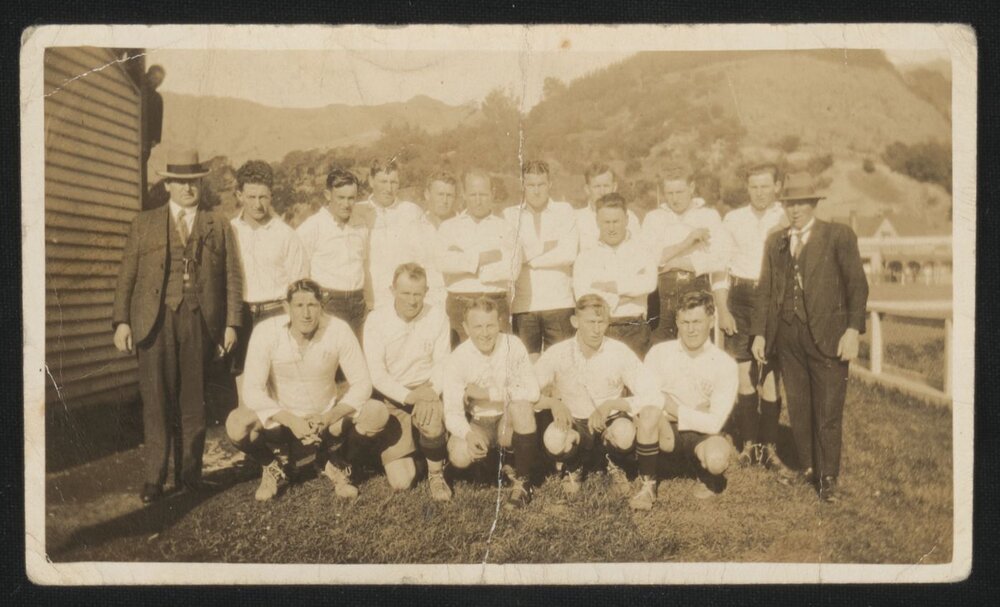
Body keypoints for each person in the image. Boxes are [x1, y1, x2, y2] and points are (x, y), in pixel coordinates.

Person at [112, 149, 243, 504]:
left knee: (193, 402)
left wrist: (231, 324)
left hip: (199, 321)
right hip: (153, 322)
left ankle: (190, 476)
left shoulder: (218, 224)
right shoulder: (144, 223)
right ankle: (154, 478)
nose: (188, 189)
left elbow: (232, 277)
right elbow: (127, 276)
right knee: (156, 401)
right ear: (168, 185)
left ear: (201, 184)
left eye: (194, 182)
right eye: (180, 182)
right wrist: (122, 321)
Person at [226, 279, 419, 501]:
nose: (306, 314)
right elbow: (252, 391)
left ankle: (337, 460)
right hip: (281, 423)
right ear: (286, 307)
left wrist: (328, 417)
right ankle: (272, 465)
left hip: (325, 421)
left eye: (312, 305)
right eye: (299, 306)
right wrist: (291, 421)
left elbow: (362, 383)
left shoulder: (338, 329)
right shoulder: (266, 331)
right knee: (236, 424)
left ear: (322, 306)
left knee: (377, 412)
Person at [751, 172, 868, 502]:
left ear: (814, 204)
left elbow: (857, 285)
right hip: (788, 337)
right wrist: (759, 334)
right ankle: (809, 466)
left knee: (828, 409)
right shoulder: (776, 241)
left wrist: (852, 331)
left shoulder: (837, 236)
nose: (795, 210)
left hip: (829, 336)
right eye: (790, 204)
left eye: (802, 203)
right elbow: (765, 290)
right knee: (799, 407)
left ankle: (828, 477)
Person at [534, 294, 663, 510]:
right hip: (573, 421)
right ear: (575, 321)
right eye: (590, 322)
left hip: (608, 421)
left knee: (624, 433)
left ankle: (615, 463)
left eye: (601, 322)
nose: (596, 330)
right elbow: (523, 390)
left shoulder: (619, 351)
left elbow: (652, 394)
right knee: (554, 439)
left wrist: (611, 405)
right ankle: (573, 465)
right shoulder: (558, 352)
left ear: (608, 322)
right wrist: (553, 404)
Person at [717, 163, 790, 471]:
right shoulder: (733, 219)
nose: (759, 192)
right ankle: (749, 444)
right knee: (743, 372)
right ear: (747, 188)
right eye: (754, 186)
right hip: (740, 296)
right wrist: (723, 309)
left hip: (773, 298)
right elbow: (720, 267)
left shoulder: (787, 217)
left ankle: (769, 447)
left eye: (765, 186)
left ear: (777, 187)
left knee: (771, 373)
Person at [363, 263, 453, 501]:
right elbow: (377, 374)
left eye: (418, 294)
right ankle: (422, 450)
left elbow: (443, 362)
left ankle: (436, 474)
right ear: (392, 290)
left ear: (426, 291)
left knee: (432, 421)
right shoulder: (376, 319)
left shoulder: (437, 315)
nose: (412, 301)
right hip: (394, 396)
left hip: (427, 390)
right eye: (405, 293)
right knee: (401, 482)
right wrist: (410, 396)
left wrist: (430, 393)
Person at [442, 298, 541, 509]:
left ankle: (523, 482)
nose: (485, 333)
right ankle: (490, 463)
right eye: (478, 326)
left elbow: (533, 391)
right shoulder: (458, 358)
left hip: (508, 419)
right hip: (479, 422)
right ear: (466, 328)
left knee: (522, 406)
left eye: (490, 325)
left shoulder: (512, 345)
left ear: (500, 323)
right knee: (459, 455)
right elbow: (451, 412)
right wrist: (468, 435)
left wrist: (488, 393)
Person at [644, 290, 738, 499]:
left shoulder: (725, 364)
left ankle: (703, 471)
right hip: (664, 427)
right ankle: (648, 478)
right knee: (645, 418)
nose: (691, 329)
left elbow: (714, 424)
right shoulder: (659, 353)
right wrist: (694, 413)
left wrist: (672, 407)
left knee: (716, 460)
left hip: (702, 433)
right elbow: (646, 399)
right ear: (677, 322)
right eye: (685, 322)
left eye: (697, 322)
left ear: (711, 321)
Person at [229, 160, 309, 385]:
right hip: (241, 315)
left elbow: (300, 283)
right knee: (244, 381)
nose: (258, 204)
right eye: (251, 197)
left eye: (263, 197)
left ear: (271, 196)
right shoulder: (229, 231)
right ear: (239, 195)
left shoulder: (286, 235)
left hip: (276, 313)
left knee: (278, 380)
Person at [640, 164, 729, 345]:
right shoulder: (653, 218)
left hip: (697, 289)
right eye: (670, 193)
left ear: (691, 188)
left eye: (679, 192)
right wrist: (687, 242)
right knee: (660, 349)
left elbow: (720, 260)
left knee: (698, 348)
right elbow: (646, 259)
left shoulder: (709, 216)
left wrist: (675, 263)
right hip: (661, 296)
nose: (675, 198)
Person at [436, 170, 522, 347]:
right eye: (473, 194)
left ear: (492, 194)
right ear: (464, 195)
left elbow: (512, 270)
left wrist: (465, 260)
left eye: (483, 194)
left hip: (495, 303)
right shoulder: (448, 227)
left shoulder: (506, 228)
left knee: (498, 358)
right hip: (459, 305)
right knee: (459, 358)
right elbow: (443, 263)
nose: (478, 200)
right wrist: (483, 258)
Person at [503, 160, 578, 359]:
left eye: (541, 184)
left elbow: (569, 253)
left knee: (561, 363)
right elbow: (511, 256)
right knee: (527, 366)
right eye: (531, 185)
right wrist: (547, 247)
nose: (536, 191)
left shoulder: (564, 211)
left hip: (560, 303)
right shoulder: (510, 215)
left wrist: (529, 259)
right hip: (524, 305)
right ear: (522, 185)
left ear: (550, 184)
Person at [572, 193, 658, 357]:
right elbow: (583, 297)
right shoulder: (586, 256)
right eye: (606, 222)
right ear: (597, 221)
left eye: (616, 221)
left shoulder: (643, 250)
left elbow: (649, 283)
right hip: (600, 330)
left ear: (626, 219)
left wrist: (611, 287)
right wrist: (625, 296)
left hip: (635, 329)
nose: (611, 228)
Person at [296, 168, 369, 338]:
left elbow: (363, 264)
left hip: (358, 303)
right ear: (328, 195)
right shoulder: (312, 227)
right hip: (328, 303)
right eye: (341, 198)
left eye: (351, 198)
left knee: (358, 351)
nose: (346, 204)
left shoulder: (361, 225)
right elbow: (300, 273)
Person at [356, 159, 426, 311]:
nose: (389, 188)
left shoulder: (412, 211)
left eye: (393, 182)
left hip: (407, 302)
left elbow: (424, 257)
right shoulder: (357, 212)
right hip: (370, 302)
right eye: (383, 181)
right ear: (371, 181)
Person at [415, 171, 459, 307]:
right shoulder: (414, 229)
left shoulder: (466, 227)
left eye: (449, 195)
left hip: (458, 302)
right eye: (440, 194)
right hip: (424, 304)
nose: (445, 201)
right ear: (427, 194)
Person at [577, 163, 641, 251]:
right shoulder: (576, 219)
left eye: (606, 186)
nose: (602, 192)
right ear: (587, 189)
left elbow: (638, 249)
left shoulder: (630, 217)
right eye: (597, 187)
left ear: (614, 187)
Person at [141, 65, 165, 171]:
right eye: (155, 78)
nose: (157, 83)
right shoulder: (139, 90)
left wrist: (155, 139)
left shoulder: (157, 99)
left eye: (160, 81)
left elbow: (158, 122)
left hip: (146, 141)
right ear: (148, 75)